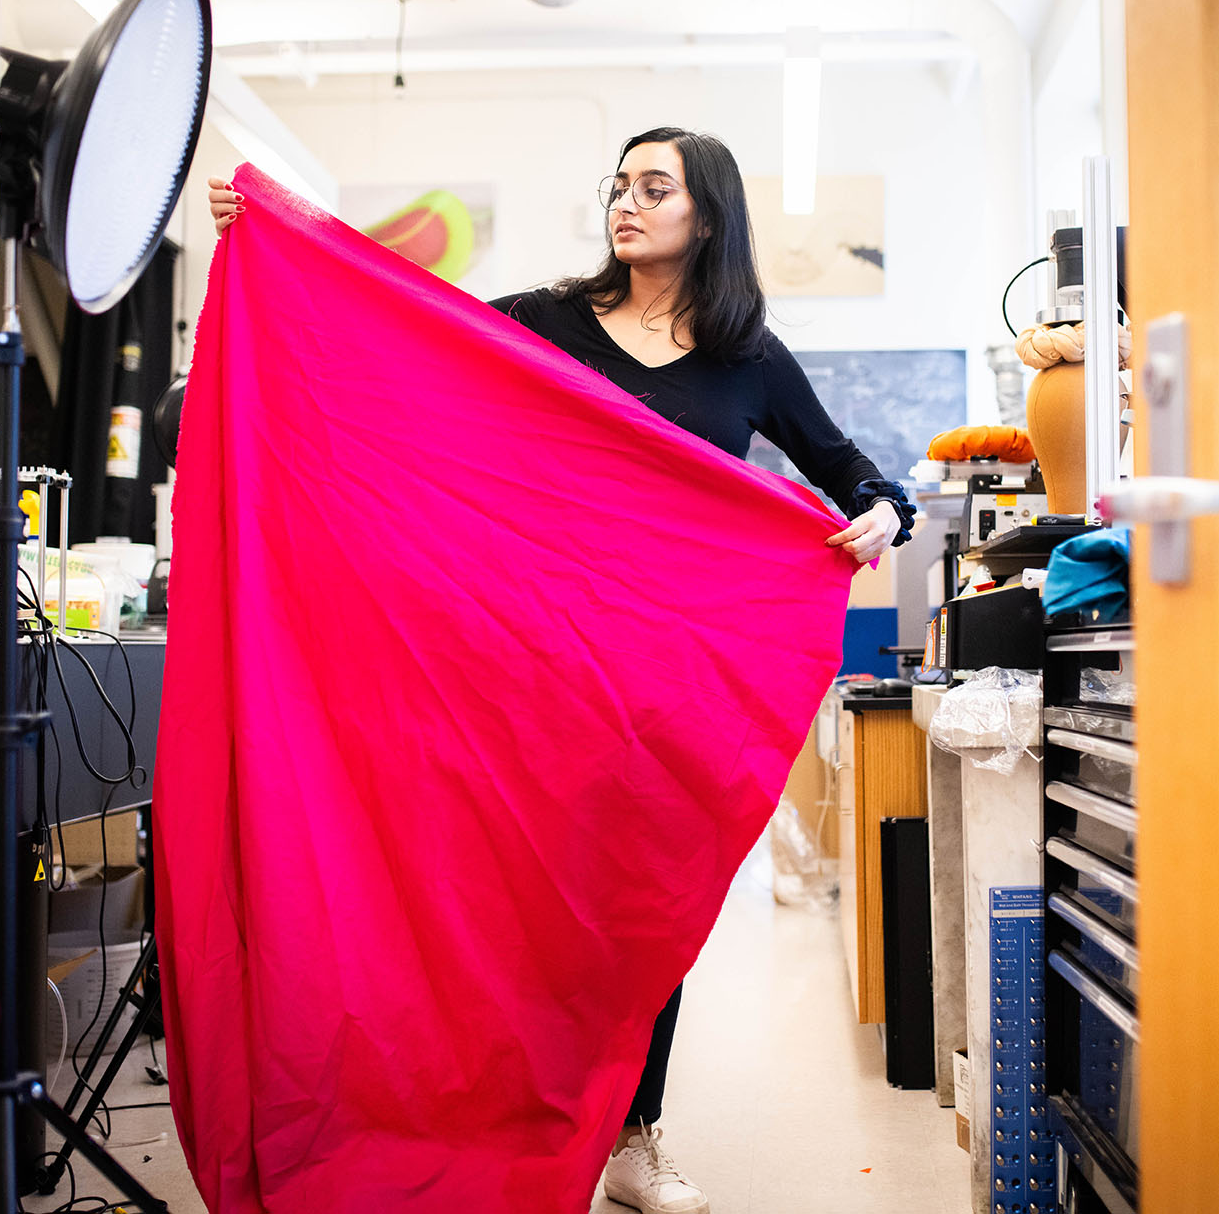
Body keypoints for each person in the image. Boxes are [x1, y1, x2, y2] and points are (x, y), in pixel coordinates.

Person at [208, 126, 914, 1214]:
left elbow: (852, 472)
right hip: (529, 671)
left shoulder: (748, 361)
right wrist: (287, 243)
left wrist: (881, 513)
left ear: (708, 216)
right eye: (618, 185)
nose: (624, 203)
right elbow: (399, 343)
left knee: (638, 910)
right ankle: (502, 1110)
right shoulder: (544, 322)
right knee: (512, 902)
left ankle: (635, 1133)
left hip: (663, 685)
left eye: (653, 187)